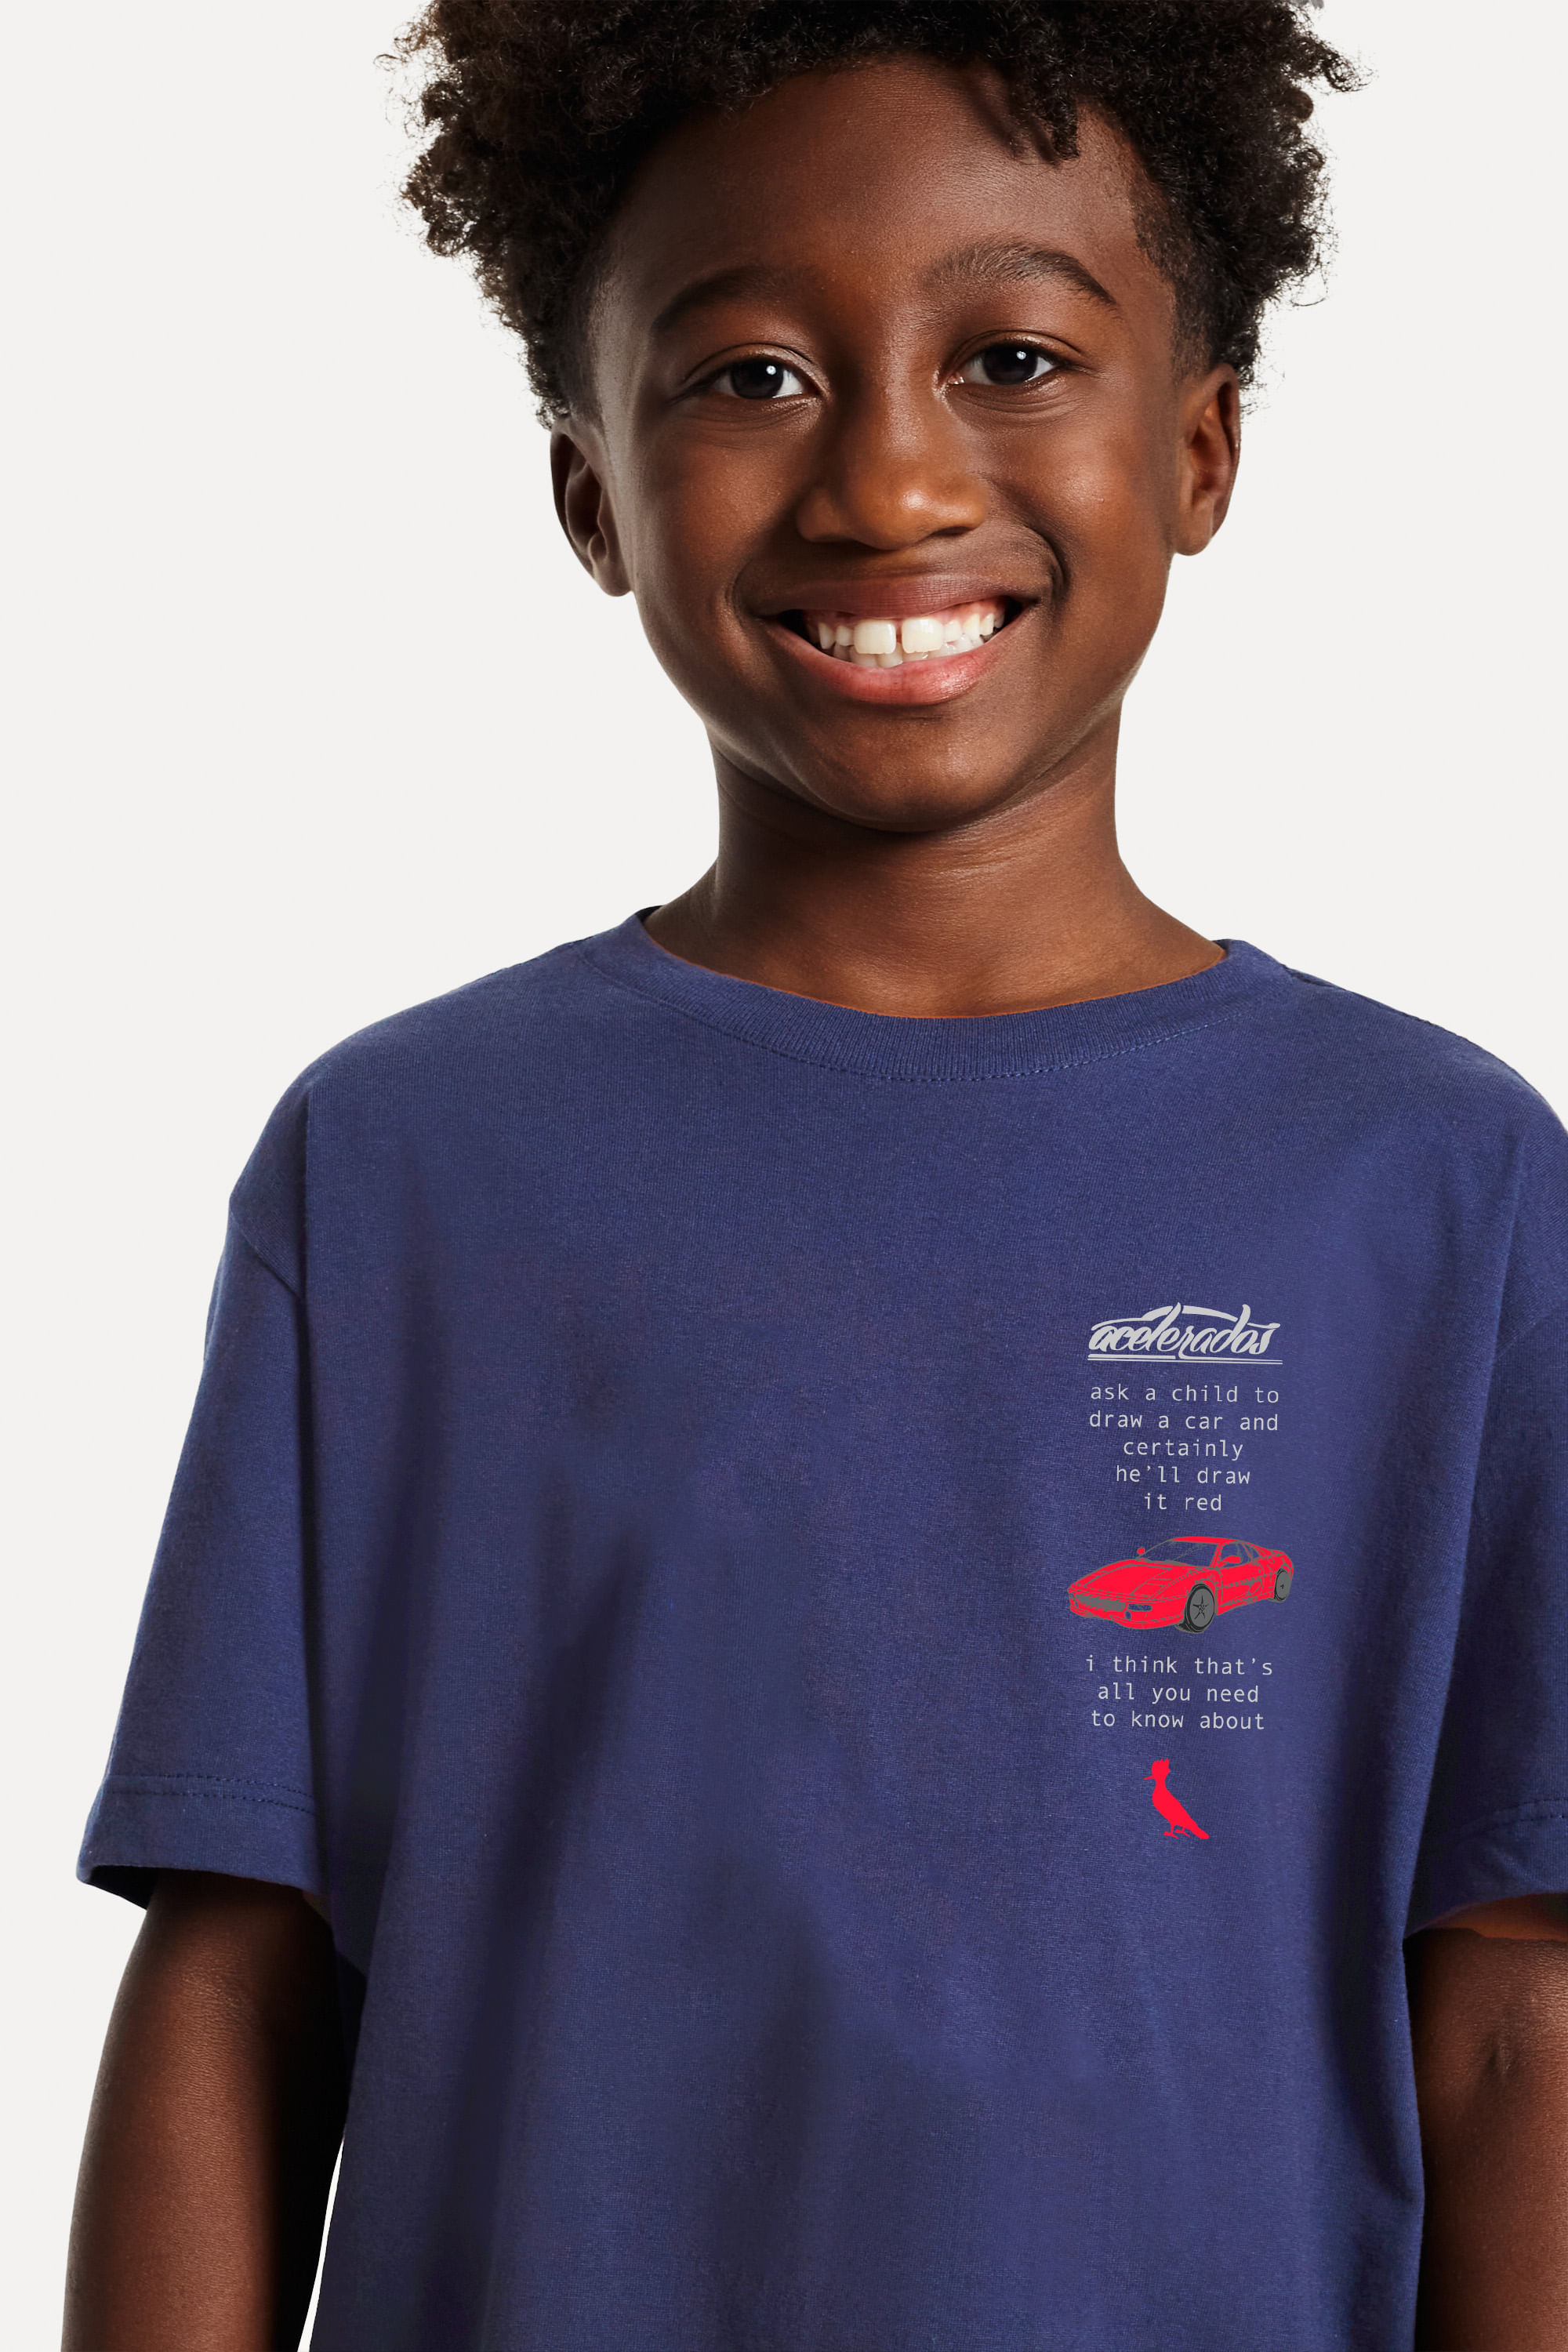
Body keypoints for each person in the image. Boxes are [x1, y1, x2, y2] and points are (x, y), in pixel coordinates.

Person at [65, 4, 1568, 2347]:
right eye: (752, 375)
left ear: (1198, 448)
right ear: (590, 492)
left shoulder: (1438, 1188)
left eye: (1011, 358)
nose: (887, 481)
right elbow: (236, 1976)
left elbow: (1510, 2015)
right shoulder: (401, 1170)